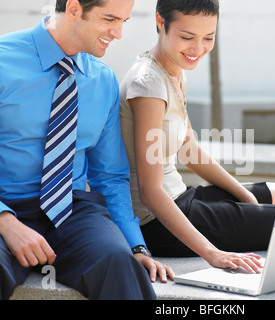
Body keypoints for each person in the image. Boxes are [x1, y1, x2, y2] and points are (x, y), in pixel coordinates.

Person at [0, 0, 173, 300]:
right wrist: (5, 221)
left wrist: (136, 245)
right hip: (7, 204)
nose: (118, 33)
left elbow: (109, 176)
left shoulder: (102, 79)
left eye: (124, 21)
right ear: (73, 9)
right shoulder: (3, 62)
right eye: (109, 19)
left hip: (72, 207)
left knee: (119, 264)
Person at [120, 0, 275, 273]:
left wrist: (245, 197)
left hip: (182, 196)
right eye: (187, 37)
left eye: (208, 38)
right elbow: (150, 192)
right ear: (161, 23)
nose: (198, 49)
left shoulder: (173, 70)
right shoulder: (148, 85)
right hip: (157, 222)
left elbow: (190, 152)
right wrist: (213, 254)